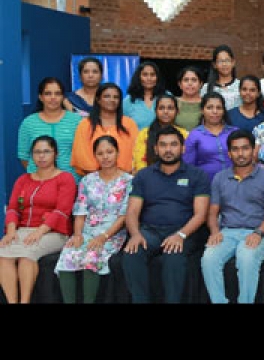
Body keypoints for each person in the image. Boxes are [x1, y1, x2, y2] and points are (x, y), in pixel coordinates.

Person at [121, 126, 210, 303]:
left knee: (173, 255)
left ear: (182, 148)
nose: (168, 150)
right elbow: (132, 211)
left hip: (184, 231)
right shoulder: (143, 176)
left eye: (173, 145)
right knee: (132, 252)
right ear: (155, 149)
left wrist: (180, 235)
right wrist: (135, 235)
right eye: (163, 145)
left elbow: (201, 214)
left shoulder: (197, 175)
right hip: (150, 231)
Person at [201, 129, 264, 304]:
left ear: (253, 150)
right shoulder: (220, 178)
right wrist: (214, 232)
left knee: (246, 258)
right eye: (235, 149)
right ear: (229, 153)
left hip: (258, 232)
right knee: (208, 259)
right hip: (227, 232)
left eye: (245, 148)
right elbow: (212, 212)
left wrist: (258, 233)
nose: (240, 153)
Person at [55, 136, 131, 304]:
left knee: (91, 256)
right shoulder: (87, 180)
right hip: (87, 231)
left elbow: (124, 216)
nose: (105, 157)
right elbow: (80, 211)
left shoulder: (128, 181)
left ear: (117, 153)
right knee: (68, 254)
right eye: (100, 153)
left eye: (109, 152)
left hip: (112, 233)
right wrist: (77, 235)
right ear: (95, 156)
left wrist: (104, 236)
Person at [0, 137, 76, 303]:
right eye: (37, 152)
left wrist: (40, 231)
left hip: (54, 232)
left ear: (56, 154)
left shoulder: (65, 178)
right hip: (23, 231)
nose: (41, 156)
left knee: (27, 255)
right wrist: (11, 232)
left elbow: (62, 211)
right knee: (3, 255)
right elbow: (13, 208)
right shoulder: (23, 180)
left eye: (46, 151)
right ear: (32, 155)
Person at [18, 77, 82, 179]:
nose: (53, 97)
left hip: (71, 180)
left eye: (57, 93)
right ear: (40, 97)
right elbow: (23, 157)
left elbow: (83, 153)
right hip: (38, 182)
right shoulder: (28, 123)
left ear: (63, 97)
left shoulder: (76, 121)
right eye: (48, 94)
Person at [71, 82, 138, 177]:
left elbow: (136, 153)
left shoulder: (129, 124)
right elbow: (81, 156)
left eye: (116, 97)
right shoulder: (85, 125)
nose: (112, 100)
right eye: (107, 96)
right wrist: (102, 178)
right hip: (94, 180)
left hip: (125, 179)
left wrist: (121, 178)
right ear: (98, 99)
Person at [183, 92, 238, 183]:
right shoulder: (195, 135)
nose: (215, 111)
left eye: (219, 108)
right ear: (202, 110)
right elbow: (188, 166)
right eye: (209, 107)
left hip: (235, 183)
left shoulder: (234, 132)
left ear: (224, 111)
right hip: (205, 184)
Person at [132, 95, 188, 173]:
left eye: (170, 108)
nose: (166, 112)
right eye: (161, 108)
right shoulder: (145, 134)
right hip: (148, 176)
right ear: (155, 111)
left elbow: (186, 161)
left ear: (177, 111)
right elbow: (139, 163)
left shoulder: (184, 134)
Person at [123, 61, 167, 131]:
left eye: (152, 75)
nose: (149, 78)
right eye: (145, 75)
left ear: (157, 78)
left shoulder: (167, 96)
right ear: (138, 77)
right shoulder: (128, 101)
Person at [200, 44, 241, 110]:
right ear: (214, 65)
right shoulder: (206, 88)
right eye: (220, 61)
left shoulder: (241, 86)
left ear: (233, 62)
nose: (224, 64)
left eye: (227, 60)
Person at [174, 66, 204, 131]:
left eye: (194, 80)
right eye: (186, 80)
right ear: (179, 84)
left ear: (201, 84)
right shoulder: (172, 102)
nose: (190, 83)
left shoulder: (207, 103)